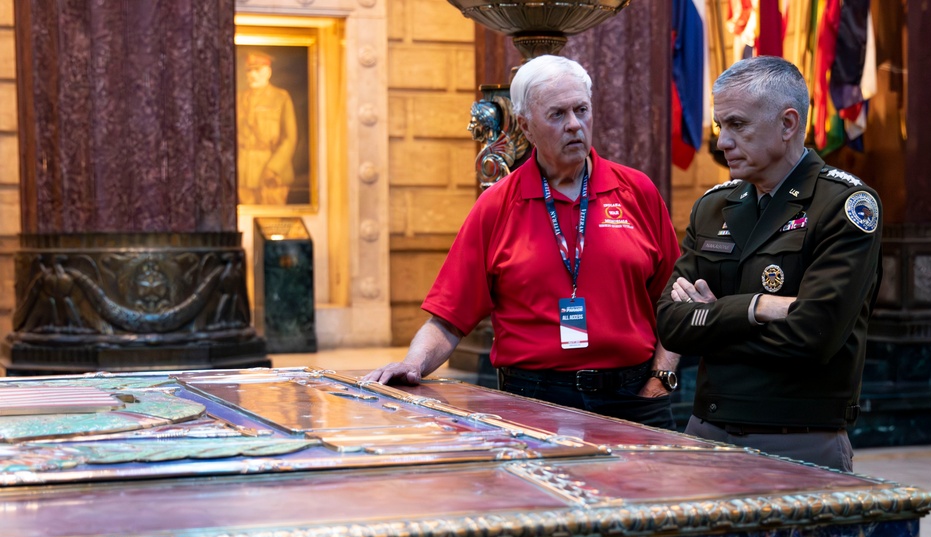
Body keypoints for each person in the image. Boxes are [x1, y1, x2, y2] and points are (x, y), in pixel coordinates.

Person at [365, 55, 682, 428]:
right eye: (557, 114)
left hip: (633, 398)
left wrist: (661, 378)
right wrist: (412, 364)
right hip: (535, 400)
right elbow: (449, 320)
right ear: (525, 127)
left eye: (582, 110)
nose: (575, 125)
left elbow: (675, 304)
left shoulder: (636, 191)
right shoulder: (497, 205)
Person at [656, 56, 882, 470]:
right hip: (707, 430)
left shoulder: (843, 205)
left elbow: (814, 336)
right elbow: (671, 323)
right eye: (720, 125)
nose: (722, 141)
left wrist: (711, 319)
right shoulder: (714, 207)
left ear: (788, 123)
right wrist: (758, 307)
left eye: (737, 125)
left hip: (798, 439)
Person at [237, 50, 297, 205]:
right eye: (249, 70)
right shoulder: (238, 99)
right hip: (244, 176)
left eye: (257, 70)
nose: (252, 75)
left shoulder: (280, 98)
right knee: (244, 222)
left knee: (272, 223)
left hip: (271, 177)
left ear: (268, 72)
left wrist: (273, 168)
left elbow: (290, 139)